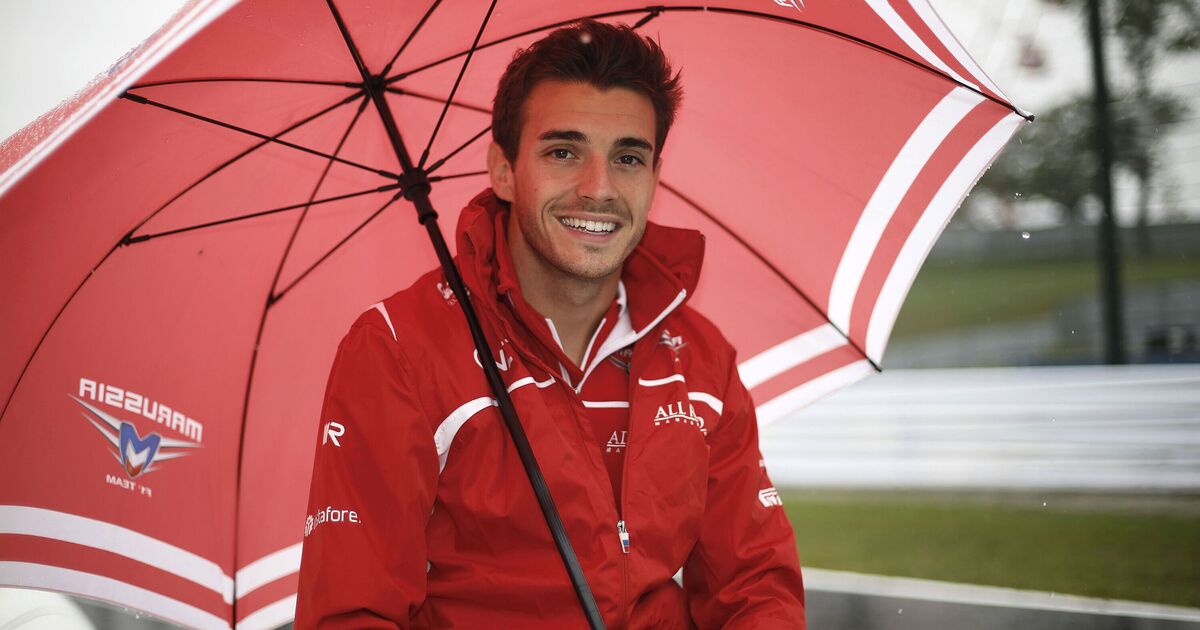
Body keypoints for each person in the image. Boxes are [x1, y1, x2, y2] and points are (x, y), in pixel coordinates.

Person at [295, 19, 805, 629]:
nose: (599, 189)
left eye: (628, 158)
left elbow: (754, 587)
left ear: (654, 177)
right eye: (564, 152)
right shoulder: (398, 348)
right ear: (503, 170)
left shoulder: (699, 355)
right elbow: (353, 614)